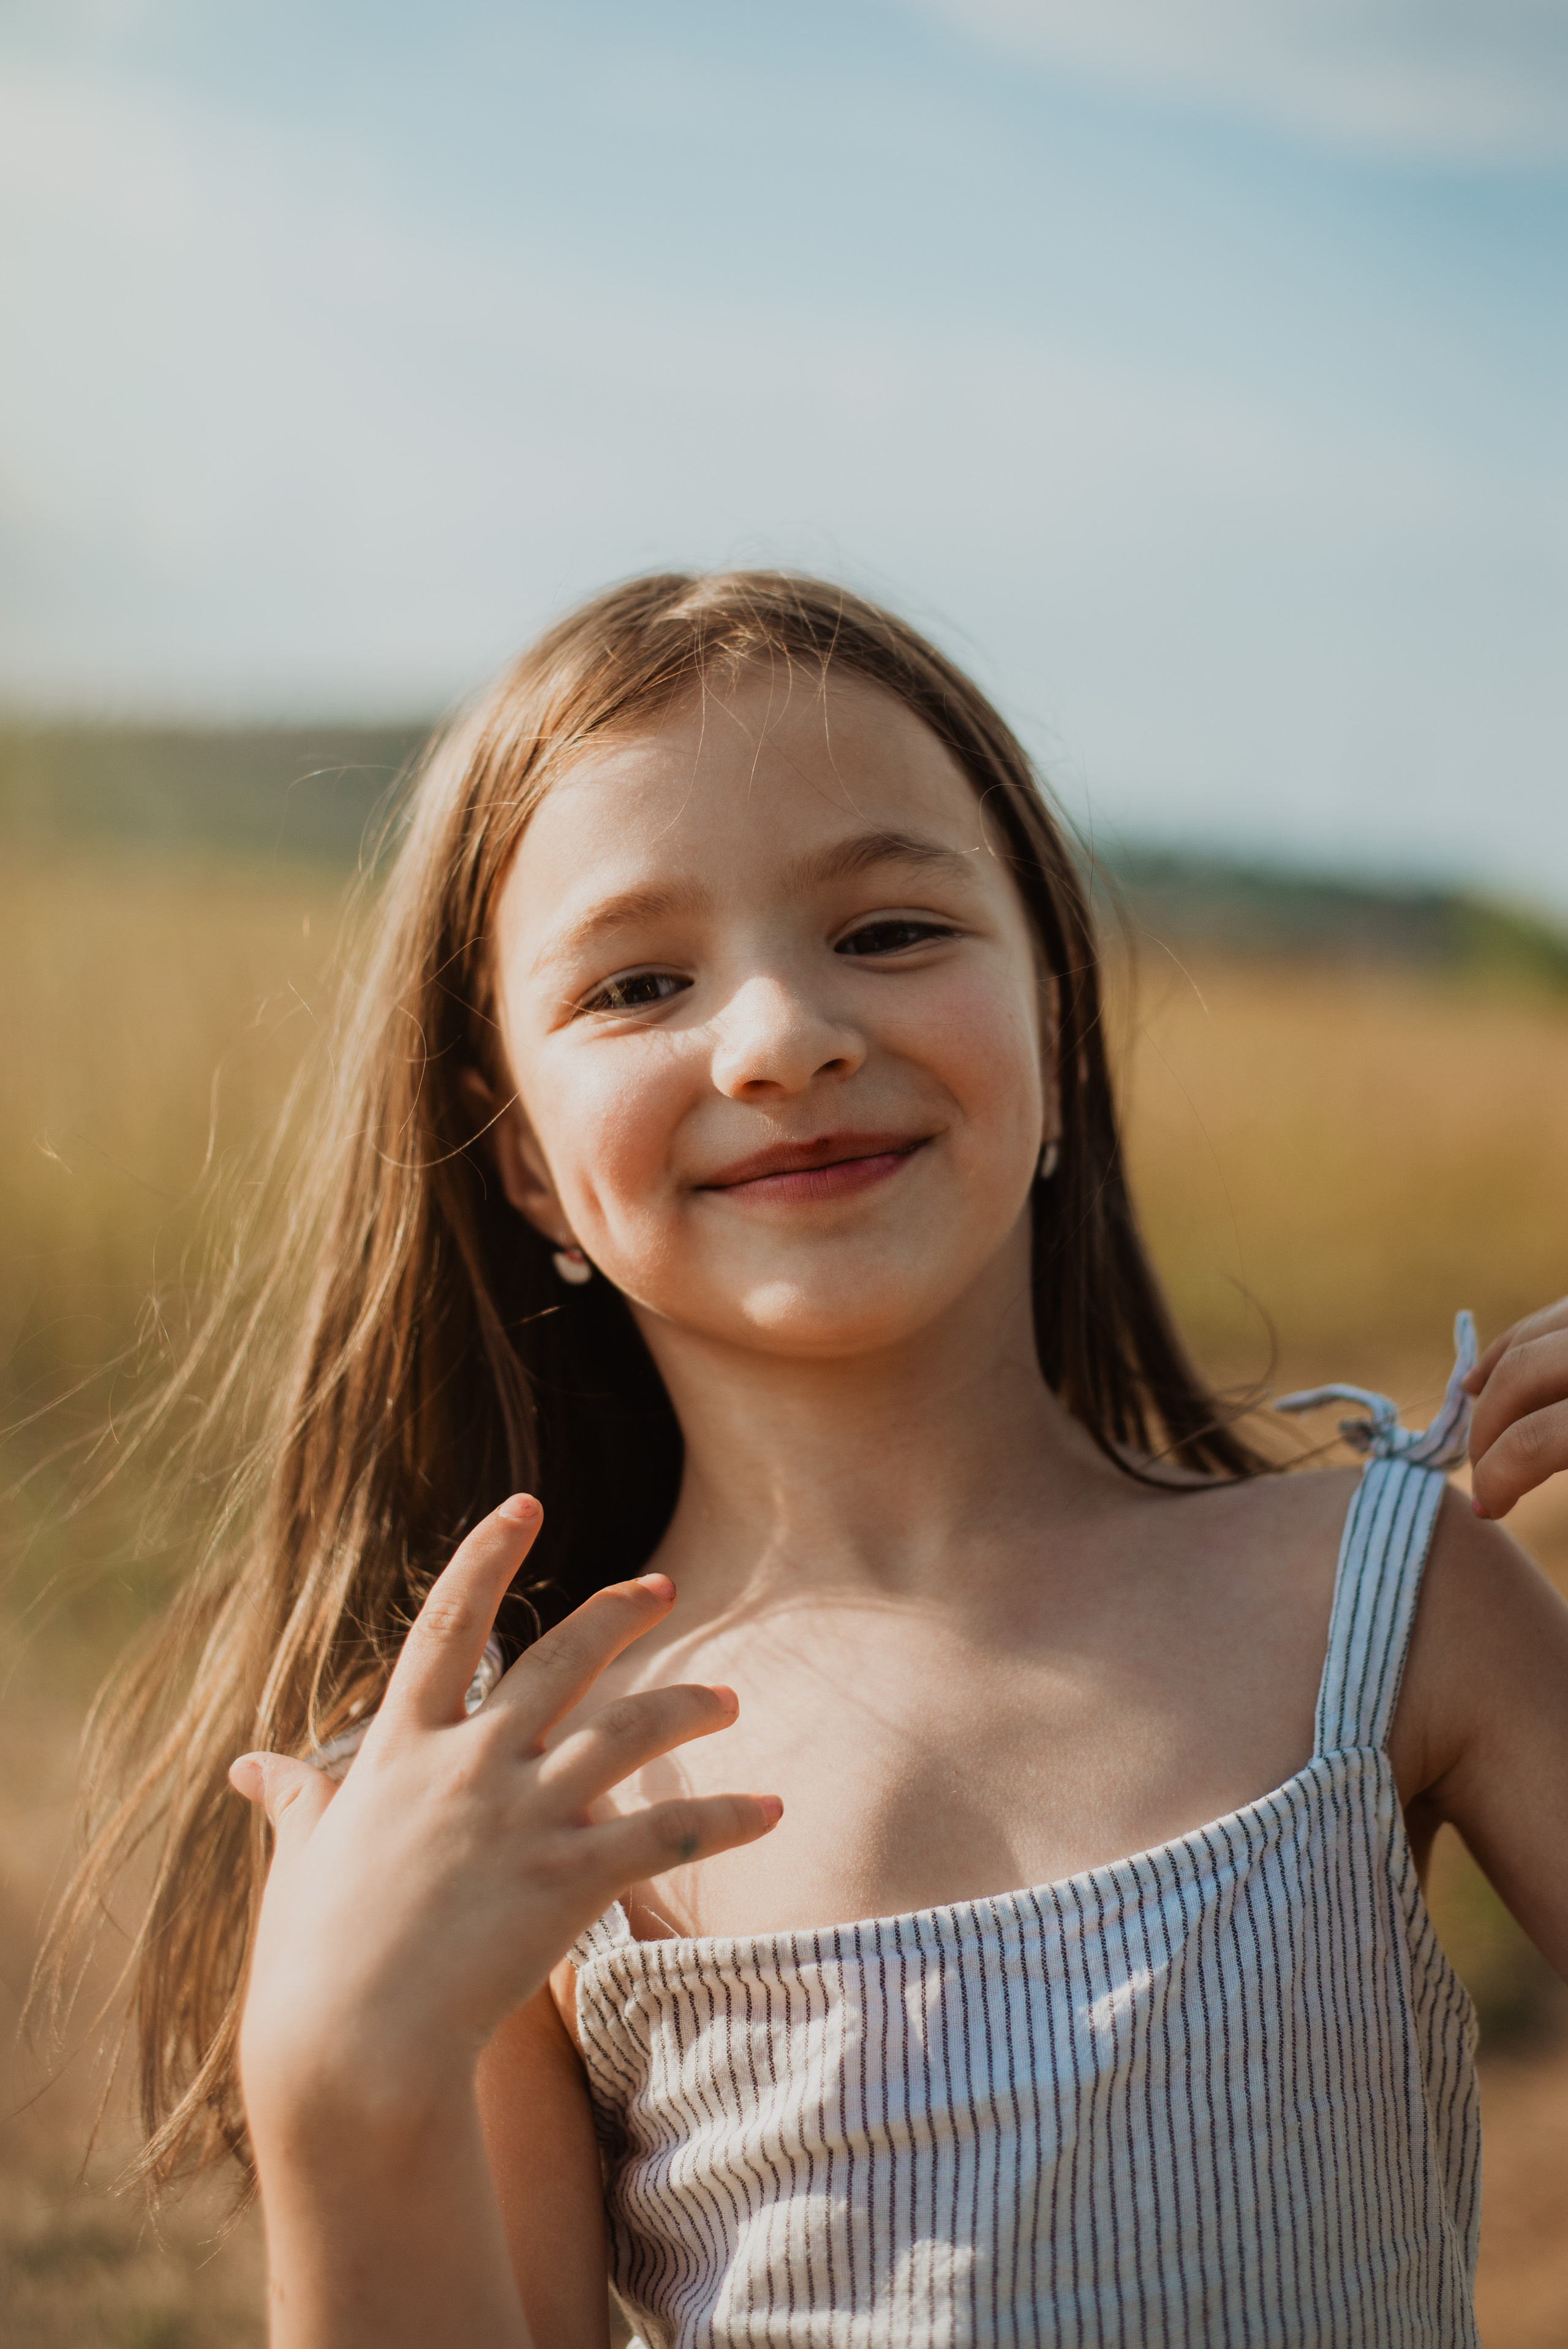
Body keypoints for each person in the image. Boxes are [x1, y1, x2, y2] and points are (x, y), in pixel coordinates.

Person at [55, 575, 1568, 2347]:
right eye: (637, 982)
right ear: (529, 1164)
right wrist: (334, 2084)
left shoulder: (1392, 1594)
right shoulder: (520, 1807)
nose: (785, 1038)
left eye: (891, 931)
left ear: (1060, 1030)